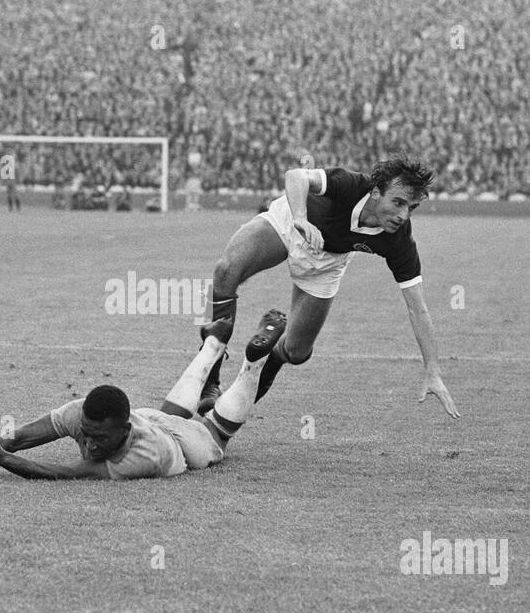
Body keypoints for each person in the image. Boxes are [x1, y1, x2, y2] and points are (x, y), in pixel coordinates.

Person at [195, 155, 459, 418]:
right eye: (398, 202)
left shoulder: (399, 241)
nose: (403, 215)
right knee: (225, 271)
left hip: (327, 262)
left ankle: (267, 346)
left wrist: (432, 370)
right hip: (291, 224)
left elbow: (418, 308)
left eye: (411, 208)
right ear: (376, 192)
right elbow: (295, 176)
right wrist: (300, 217)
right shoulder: (350, 184)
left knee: (296, 352)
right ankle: (209, 381)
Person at [0, 310, 287, 480]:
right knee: (168, 412)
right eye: (88, 434)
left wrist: (3, 461)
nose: (90, 445)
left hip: (180, 446)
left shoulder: (143, 458)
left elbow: (63, 472)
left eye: (99, 439)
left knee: (215, 433)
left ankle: (250, 363)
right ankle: (213, 345)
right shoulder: (84, 414)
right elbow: (19, 438)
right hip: (152, 419)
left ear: (123, 429)